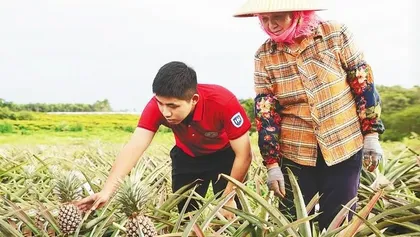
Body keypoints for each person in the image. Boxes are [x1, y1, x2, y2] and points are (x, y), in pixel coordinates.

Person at [233, 0, 385, 231]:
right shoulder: (265, 54)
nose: (271, 25)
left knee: (338, 220)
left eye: (278, 17)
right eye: (264, 19)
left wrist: (371, 133)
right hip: (296, 150)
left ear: (297, 13)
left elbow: (362, 82)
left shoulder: (334, 34)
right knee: (292, 221)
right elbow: (266, 110)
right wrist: (272, 163)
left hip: (343, 142)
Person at [75, 61, 252, 219]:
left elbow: (244, 154)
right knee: (185, 213)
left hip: (224, 156)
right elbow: (134, 146)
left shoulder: (222, 102)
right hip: (187, 157)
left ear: (194, 100)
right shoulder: (156, 106)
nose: (165, 112)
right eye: (161, 103)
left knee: (233, 213)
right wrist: (106, 191)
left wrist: (229, 196)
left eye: (173, 106)